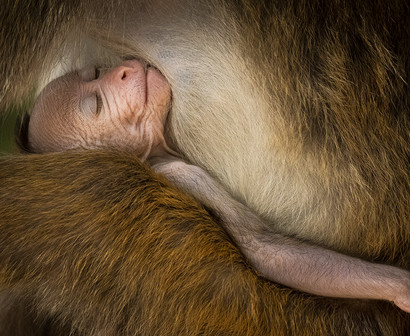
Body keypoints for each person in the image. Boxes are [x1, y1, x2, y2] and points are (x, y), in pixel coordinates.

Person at [23, 59, 410, 313]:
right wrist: (392, 285)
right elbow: (268, 254)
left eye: (96, 71)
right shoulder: (176, 180)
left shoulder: (158, 144)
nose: (120, 72)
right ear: (114, 169)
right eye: (98, 104)